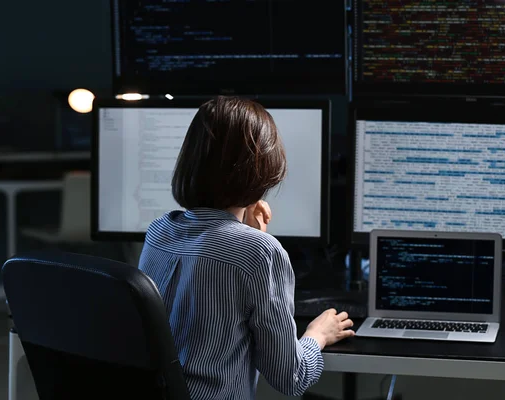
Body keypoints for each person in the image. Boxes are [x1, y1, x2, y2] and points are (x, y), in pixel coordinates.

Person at [139, 96, 354, 399]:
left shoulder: (158, 231)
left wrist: (249, 234)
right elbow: (291, 378)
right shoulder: (261, 252)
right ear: (261, 169)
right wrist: (317, 334)